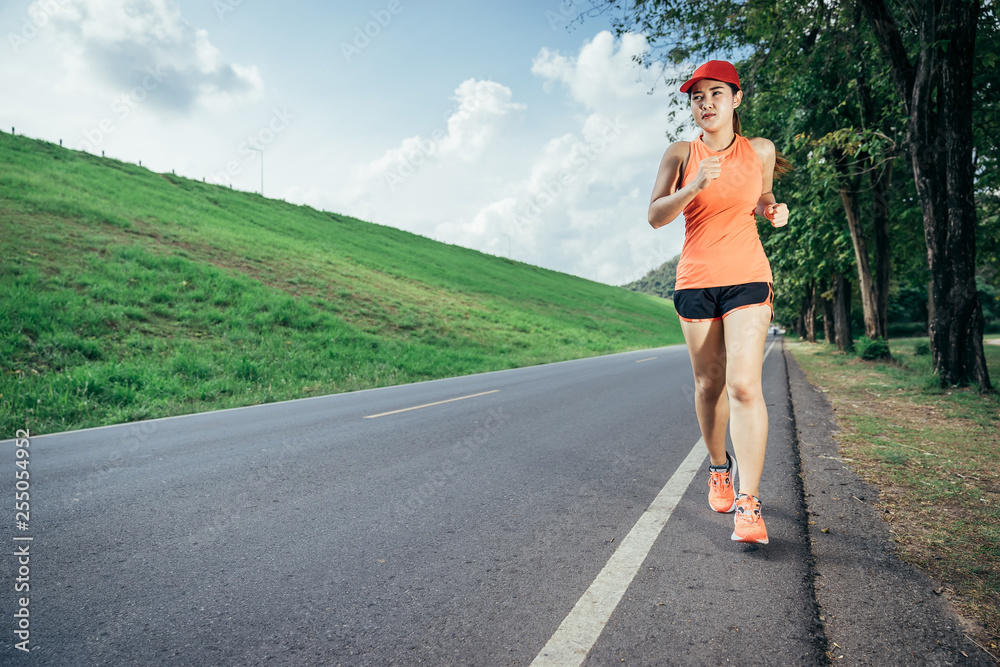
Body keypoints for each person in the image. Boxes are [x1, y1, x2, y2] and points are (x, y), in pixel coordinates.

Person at [647, 60, 789, 544]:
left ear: (736, 99)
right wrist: (693, 186)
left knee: (744, 385)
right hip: (696, 279)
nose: (705, 103)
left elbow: (762, 195)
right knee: (709, 383)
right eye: (696, 97)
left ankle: (749, 504)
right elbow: (654, 217)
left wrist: (773, 208)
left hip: (748, 275)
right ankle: (718, 467)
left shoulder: (761, 150)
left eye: (715, 94)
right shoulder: (680, 153)